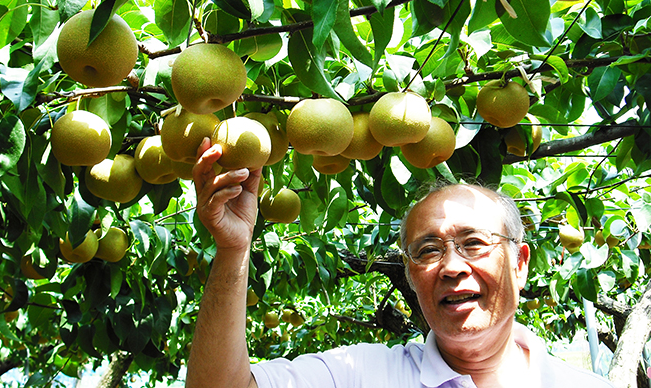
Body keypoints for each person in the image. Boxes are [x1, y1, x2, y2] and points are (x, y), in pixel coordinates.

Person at [186, 138, 614, 388]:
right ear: (410, 275)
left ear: (519, 263)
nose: (451, 266)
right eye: (428, 250)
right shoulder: (365, 375)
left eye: (473, 243)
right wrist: (234, 249)